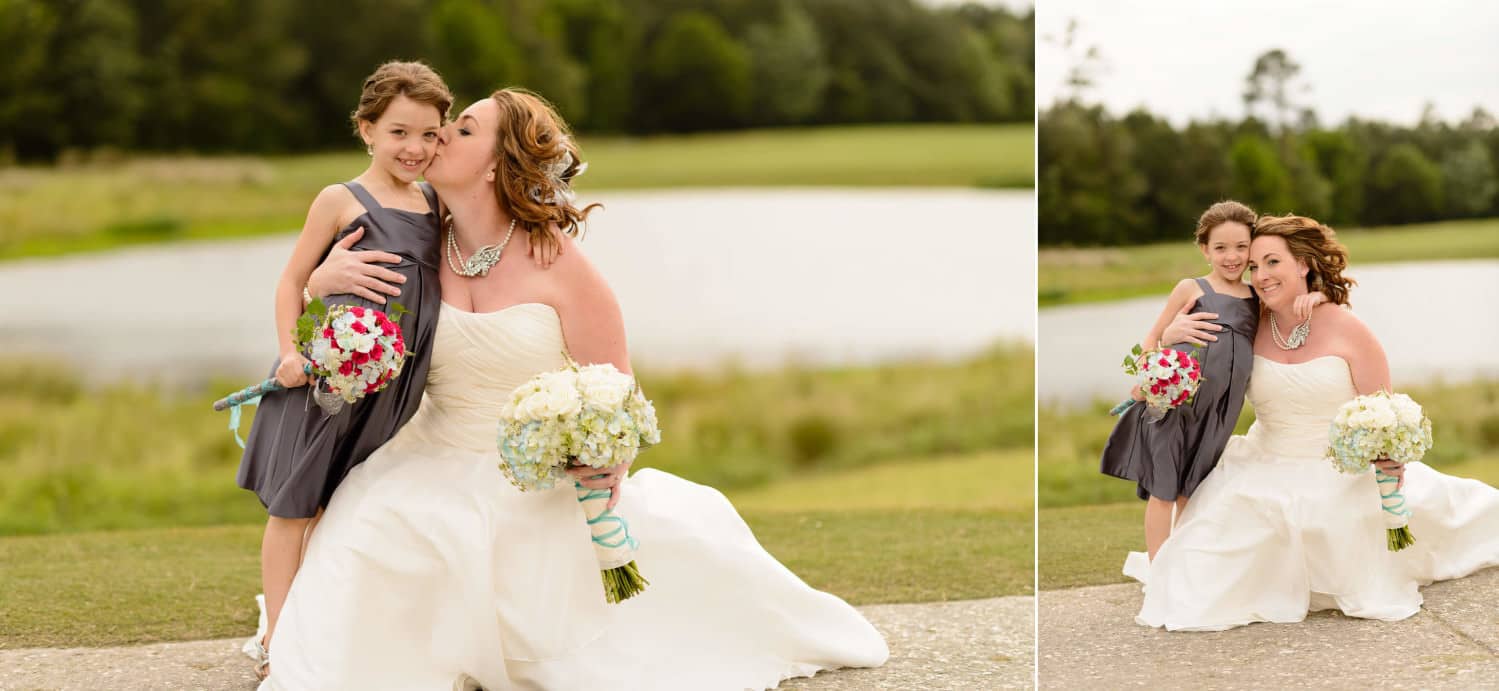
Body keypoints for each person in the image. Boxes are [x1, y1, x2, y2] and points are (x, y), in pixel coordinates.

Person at [260, 88, 888, 689]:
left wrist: (604, 459)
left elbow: (618, 400)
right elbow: (333, 300)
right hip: (425, 457)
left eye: (464, 127)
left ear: (495, 165)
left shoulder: (562, 266)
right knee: (373, 532)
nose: (440, 134)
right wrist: (319, 283)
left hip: (530, 478)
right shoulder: (419, 237)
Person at [234, 61, 553, 679]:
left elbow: (487, 233)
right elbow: (290, 281)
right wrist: (295, 345)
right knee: (295, 508)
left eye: (432, 134)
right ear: (366, 130)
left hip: (392, 389)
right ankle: (280, 638)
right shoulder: (339, 199)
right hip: (327, 378)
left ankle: (318, 622)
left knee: (339, 505)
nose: (416, 147)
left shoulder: (435, 204)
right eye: (400, 132)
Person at [1123, 214, 1499, 631]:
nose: (1261, 276)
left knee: (1340, 526)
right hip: (1262, 463)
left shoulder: (1347, 328)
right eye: (1255, 266)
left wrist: (1391, 461)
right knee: (1206, 564)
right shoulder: (1248, 321)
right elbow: (1161, 364)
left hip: (1338, 469)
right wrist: (1172, 332)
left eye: (1272, 262)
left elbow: (1383, 412)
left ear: (1303, 264)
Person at [1100, 201, 1322, 559]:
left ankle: (1184, 561)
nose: (1231, 257)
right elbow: (1149, 344)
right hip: (1176, 404)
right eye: (1220, 248)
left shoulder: (1256, 297)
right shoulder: (1192, 288)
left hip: (1220, 410)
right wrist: (1168, 336)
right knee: (1165, 489)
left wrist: (1317, 295)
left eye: (1240, 247)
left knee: (1194, 488)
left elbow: (1293, 305)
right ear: (1205, 250)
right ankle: (1160, 567)